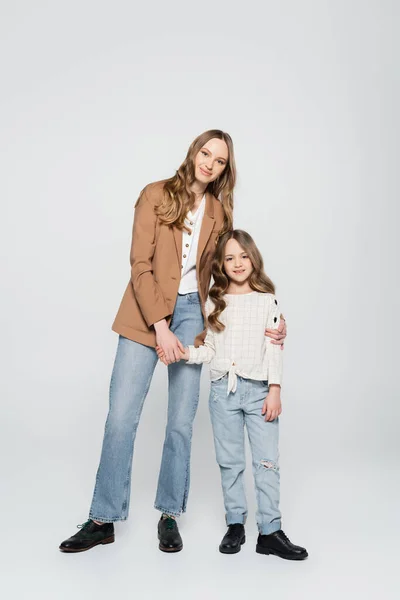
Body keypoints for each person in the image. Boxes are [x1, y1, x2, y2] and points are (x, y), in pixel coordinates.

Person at [59, 131, 287, 554]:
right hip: (146, 311)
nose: (210, 164)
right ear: (193, 152)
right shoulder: (155, 194)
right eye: (206, 153)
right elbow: (139, 263)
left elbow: (230, 273)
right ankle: (102, 519)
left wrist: (272, 314)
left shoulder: (219, 211)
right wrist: (160, 326)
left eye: (220, 161)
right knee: (121, 418)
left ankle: (169, 515)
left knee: (180, 423)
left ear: (225, 170)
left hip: (192, 316)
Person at [157, 229, 307, 560]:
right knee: (230, 462)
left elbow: (274, 348)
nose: (237, 263)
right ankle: (235, 524)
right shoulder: (215, 301)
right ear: (221, 265)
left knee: (267, 462)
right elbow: (209, 349)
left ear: (253, 258)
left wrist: (275, 390)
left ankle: (270, 530)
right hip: (222, 392)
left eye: (243, 256)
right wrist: (184, 353)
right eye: (229, 258)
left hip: (258, 393)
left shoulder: (268, 300)